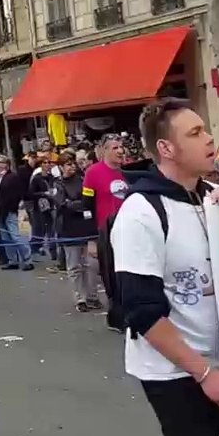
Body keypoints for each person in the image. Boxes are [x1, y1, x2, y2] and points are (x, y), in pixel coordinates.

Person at [112, 98, 219, 436]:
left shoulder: (212, 199)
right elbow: (142, 311)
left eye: (206, 130)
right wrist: (204, 374)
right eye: (195, 133)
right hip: (173, 374)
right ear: (166, 149)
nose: (210, 139)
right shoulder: (140, 212)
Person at [85, 134, 130, 330]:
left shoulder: (129, 171)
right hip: (105, 232)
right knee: (111, 275)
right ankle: (116, 316)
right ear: (104, 150)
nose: (120, 151)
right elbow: (87, 207)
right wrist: (91, 239)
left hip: (129, 230)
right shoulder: (93, 173)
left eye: (121, 147)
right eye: (115, 147)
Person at [55, 153, 100, 311]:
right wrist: (76, 204)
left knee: (92, 264)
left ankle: (92, 296)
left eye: (72, 163)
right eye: (67, 164)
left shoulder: (83, 180)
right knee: (74, 265)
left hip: (86, 226)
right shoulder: (58, 184)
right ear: (61, 167)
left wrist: (77, 204)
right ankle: (79, 298)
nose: (71, 167)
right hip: (68, 228)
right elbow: (62, 203)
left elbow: (90, 200)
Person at [0, 157, 33, 271]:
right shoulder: (0, 178)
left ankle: (27, 260)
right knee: (6, 237)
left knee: (17, 236)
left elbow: (16, 193)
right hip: (1, 210)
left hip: (11, 210)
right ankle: (12, 260)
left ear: (5, 164)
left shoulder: (12, 177)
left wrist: (14, 208)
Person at [29, 156, 59, 263]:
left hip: (51, 205)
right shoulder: (37, 178)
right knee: (39, 229)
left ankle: (53, 251)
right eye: (44, 163)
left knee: (52, 229)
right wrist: (43, 194)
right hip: (40, 206)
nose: (47, 165)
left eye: (48, 163)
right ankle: (35, 250)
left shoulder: (52, 177)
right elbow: (31, 193)